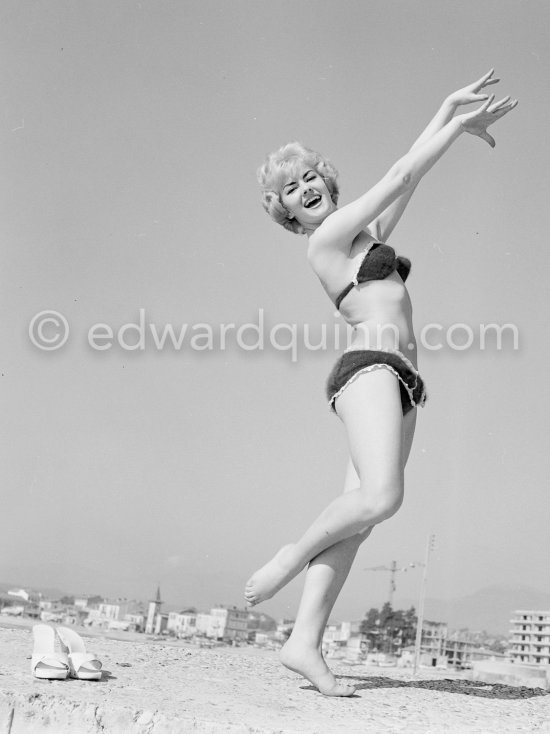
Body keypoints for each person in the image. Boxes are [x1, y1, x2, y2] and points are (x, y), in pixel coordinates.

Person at [246, 70, 517, 696]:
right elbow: (398, 174)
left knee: (360, 520)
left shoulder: (367, 237)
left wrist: (446, 106)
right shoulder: (328, 243)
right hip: (370, 366)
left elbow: (408, 180)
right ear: (286, 213)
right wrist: (452, 126)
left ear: (328, 181)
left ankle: (304, 644)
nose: (305, 187)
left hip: (404, 381)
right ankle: (290, 557)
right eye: (290, 188)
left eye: (310, 175)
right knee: (382, 499)